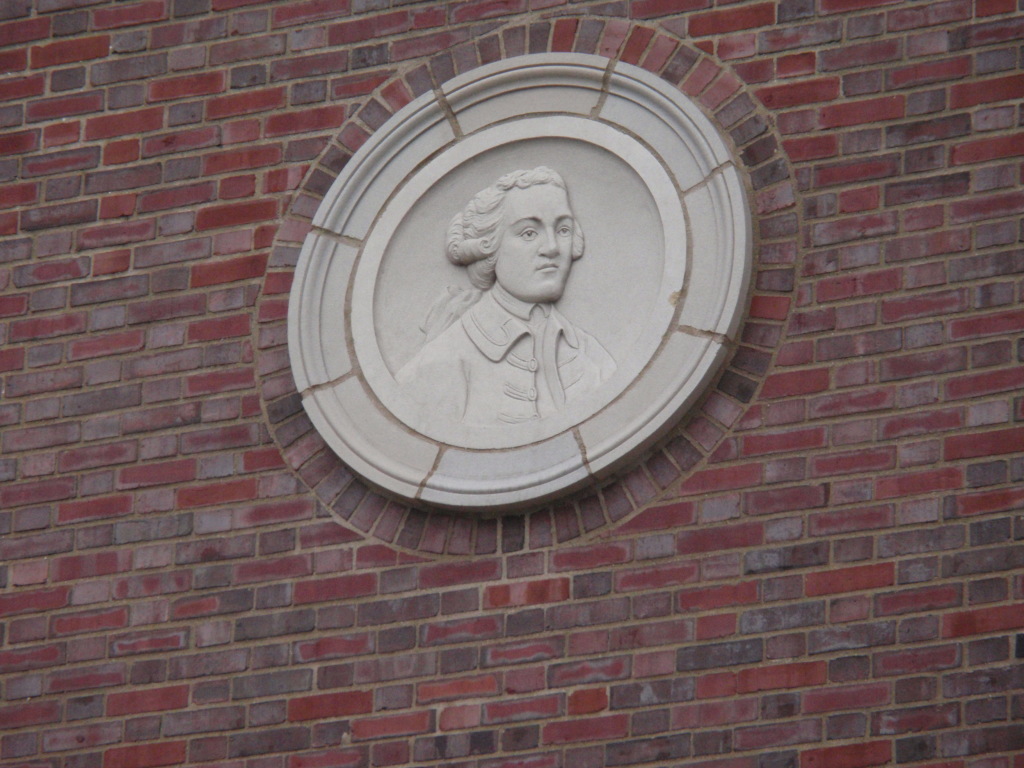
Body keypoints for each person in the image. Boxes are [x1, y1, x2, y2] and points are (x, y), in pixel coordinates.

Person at [396, 167, 616, 427]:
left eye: (563, 230)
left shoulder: (590, 355)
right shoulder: (444, 360)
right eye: (528, 233)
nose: (552, 248)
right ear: (490, 246)